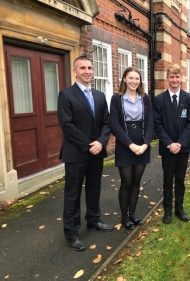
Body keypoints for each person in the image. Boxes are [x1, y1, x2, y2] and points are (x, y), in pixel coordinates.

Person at [58, 55, 113, 251]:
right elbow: (67, 125)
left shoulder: (99, 96)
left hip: (96, 152)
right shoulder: (66, 95)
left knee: (94, 188)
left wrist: (101, 142)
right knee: (72, 194)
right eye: (83, 68)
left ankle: (93, 219)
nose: (87, 71)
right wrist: (89, 144)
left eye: (90, 67)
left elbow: (107, 122)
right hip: (76, 153)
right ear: (75, 71)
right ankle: (71, 232)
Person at [110, 67, 154, 230]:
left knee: (136, 182)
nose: (134, 81)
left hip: (142, 144)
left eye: (137, 78)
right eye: (131, 78)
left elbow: (150, 122)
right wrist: (131, 145)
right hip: (125, 144)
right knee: (126, 182)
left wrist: (145, 144)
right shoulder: (117, 99)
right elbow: (114, 124)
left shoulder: (145, 99)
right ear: (124, 79)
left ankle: (133, 214)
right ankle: (125, 217)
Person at [153, 64, 190, 224]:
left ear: (181, 78)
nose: (174, 80)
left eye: (177, 77)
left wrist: (180, 143)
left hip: (183, 148)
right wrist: (170, 144)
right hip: (167, 148)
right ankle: (168, 211)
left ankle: (179, 209)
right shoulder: (159, 100)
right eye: (171, 77)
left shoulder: (187, 98)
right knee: (167, 180)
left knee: (180, 180)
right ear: (167, 78)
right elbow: (157, 124)